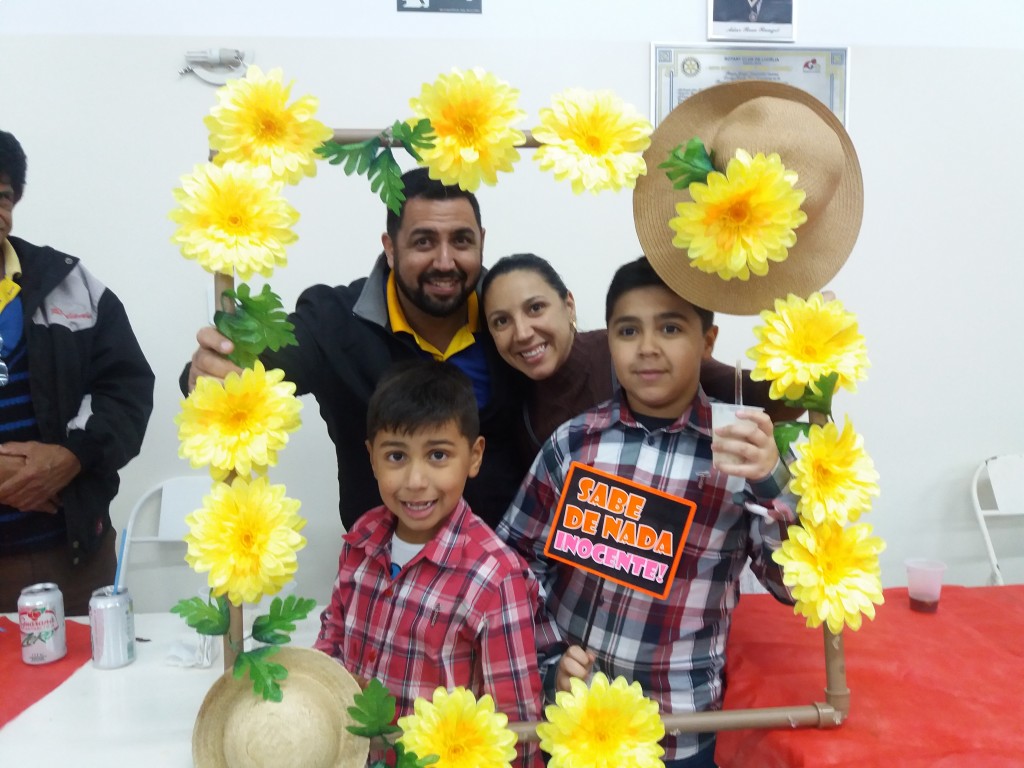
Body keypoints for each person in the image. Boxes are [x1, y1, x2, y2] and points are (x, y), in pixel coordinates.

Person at [497, 257, 798, 768]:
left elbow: (793, 587)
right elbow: (514, 569)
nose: (647, 347)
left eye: (671, 328)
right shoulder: (573, 444)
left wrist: (772, 480)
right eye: (628, 330)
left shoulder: (743, 454)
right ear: (608, 340)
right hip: (573, 721)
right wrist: (550, 661)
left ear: (707, 341)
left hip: (677, 731)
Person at [183, 167, 525, 531]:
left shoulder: (514, 321)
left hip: (507, 555)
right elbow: (250, 367)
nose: (444, 261)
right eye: (424, 242)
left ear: (481, 242)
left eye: (461, 241)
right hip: (379, 560)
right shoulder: (332, 321)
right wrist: (211, 372)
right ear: (390, 248)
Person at [314, 361, 555, 768]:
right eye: (396, 456)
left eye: (438, 455)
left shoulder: (496, 578)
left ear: (474, 456)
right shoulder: (362, 539)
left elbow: (515, 729)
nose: (415, 481)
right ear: (372, 458)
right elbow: (332, 637)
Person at [0, 130, 155, 615]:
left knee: (95, 666)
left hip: (74, 561)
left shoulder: (68, 283)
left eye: (2, 196)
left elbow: (126, 390)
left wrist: (72, 455)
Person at [480, 252, 798, 463]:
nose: (522, 332)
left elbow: (767, 396)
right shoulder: (513, 403)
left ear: (569, 306)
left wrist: (811, 354)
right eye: (501, 321)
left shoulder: (626, 353)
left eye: (535, 308)